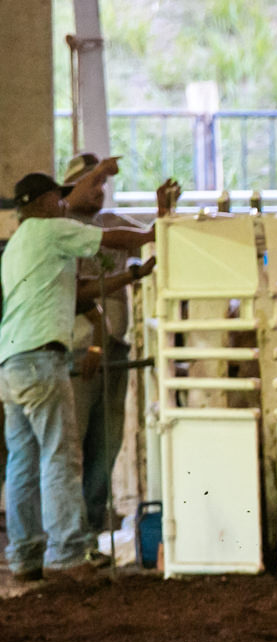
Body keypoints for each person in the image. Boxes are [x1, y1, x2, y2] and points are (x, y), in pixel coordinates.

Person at [1, 162, 156, 583]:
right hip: (42, 359)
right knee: (60, 456)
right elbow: (108, 238)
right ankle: (68, 552)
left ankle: (25, 554)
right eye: (59, 196)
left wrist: (132, 274)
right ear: (48, 201)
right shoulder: (52, 230)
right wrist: (148, 236)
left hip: (12, 363)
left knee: (23, 462)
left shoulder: (17, 245)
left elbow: (77, 294)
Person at [60, 154, 150, 533]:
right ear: (68, 190)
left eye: (101, 184)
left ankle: (92, 527)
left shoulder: (112, 224)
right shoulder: (61, 228)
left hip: (113, 346)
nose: (98, 191)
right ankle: (71, 532)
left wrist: (163, 213)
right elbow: (78, 294)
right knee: (76, 444)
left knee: (107, 442)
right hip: (81, 348)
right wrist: (129, 277)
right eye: (91, 183)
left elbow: (149, 235)